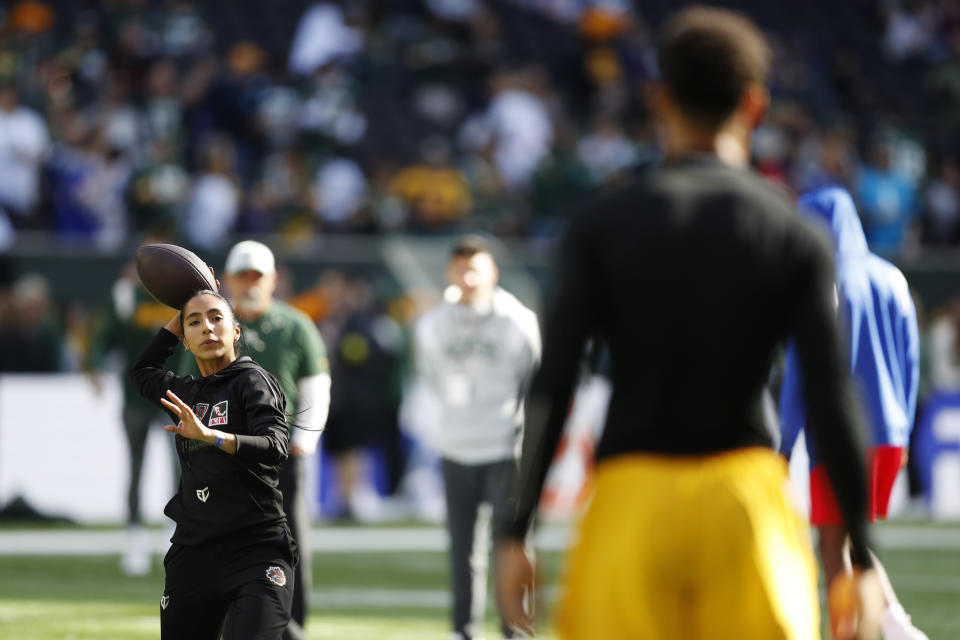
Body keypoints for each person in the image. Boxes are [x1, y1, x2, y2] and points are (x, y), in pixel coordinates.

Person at [495, 7, 883, 640]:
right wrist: (858, 555)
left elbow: (555, 379)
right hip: (746, 500)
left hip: (630, 496)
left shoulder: (602, 226)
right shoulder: (794, 233)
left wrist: (517, 530)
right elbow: (832, 396)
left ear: (658, 99)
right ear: (755, 105)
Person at [779, 187, 928, 640]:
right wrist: (903, 431)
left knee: (832, 553)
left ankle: (863, 633)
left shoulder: (820, 278)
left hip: (838, 432)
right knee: (852, 539)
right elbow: (911, 360)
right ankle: (897, 624)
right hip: (889, 434)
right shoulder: (893, 277)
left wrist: (785, 445)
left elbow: (799, 370)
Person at [181, 240, 331, 640]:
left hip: (277, 454)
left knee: (290, 542)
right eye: (242, 276)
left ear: (272, 280)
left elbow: (315, 384)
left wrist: (305, 440)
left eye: (256, 276)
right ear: (228, 278)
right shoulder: (209, 323)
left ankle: (292, 628)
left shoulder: (295, 324)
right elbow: (188, 388)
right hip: (222, 455)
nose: (249, 283)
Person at [129, 288, 296, 639]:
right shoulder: (187, 394)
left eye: (216, 318)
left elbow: (275, 446)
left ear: (236, 332)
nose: (207, 327)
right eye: (195, 323)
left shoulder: (254, 381)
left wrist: (213, 437)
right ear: (185, 341)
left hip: (256, 549)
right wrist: (183, 306)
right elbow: (142, 372)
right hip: (194, 552)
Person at [413, 235, 540, 640]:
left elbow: (532, 380)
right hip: (456, 444)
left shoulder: (517, 320)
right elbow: (430, 378)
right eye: (462, 269)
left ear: (493, 273)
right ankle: (463, 630)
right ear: (449, 272)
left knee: (512, 544)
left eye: (477, 269)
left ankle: (516, 629)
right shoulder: (432, 323)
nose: (469, 277)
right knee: (462, 548)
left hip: (505, 443)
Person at [87, 252, 179, 575]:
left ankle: (177, 534)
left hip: (172, 395)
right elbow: (104, 337)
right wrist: (96, 365)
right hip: (136, 395)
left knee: (181, 466)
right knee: (136, 467)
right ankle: (135, 538)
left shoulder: (176, 295)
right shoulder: (125, 296)